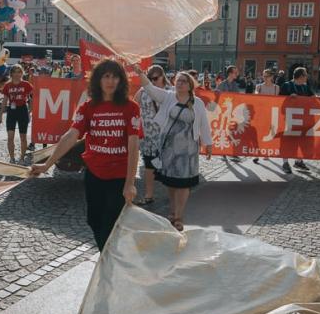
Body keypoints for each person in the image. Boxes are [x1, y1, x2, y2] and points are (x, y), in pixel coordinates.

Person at [30, 59, 142, 251]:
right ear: (98, 80)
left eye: (115, 76)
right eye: (106, 76)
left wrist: (130, 183)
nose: (111, 81)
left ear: (121, 81)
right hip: (94, 174)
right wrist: (47, 165)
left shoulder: (130, 108)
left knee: (111, 223)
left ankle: (108, 263)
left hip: (119, 176)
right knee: (94, 220)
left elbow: (134, 146)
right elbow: (71, 136)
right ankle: (108, 258)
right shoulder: (88, 107)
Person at [136, 68, 213, 231]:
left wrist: (208, 143)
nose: (179, 84)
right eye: (178, 81)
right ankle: (172, 210)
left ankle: (179, 217)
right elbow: (149, 88)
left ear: (190, 85)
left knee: (183, 184)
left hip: (188, 150)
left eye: (183, 81)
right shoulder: (168, 97)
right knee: (171, 183)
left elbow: (204, 124)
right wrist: (140, 73)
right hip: (169, 148)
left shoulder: (197, 102)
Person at [133, 64, 170, 206]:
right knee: (148, 165)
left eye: (155, 78)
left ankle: (171, 192)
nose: (152, 82)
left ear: (162, 77)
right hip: (148, 137)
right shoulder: (143, 91)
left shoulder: (169, 91)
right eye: (150, 78)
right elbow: (133, 104)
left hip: (165, 137)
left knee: (167, 166)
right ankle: (149, 195)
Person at [280, 67, 314, 173]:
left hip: (302, 119)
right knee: (287, 141)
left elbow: (313, 97)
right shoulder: (286, 85)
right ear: (300, 76)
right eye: (306, 75)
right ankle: (285, 163)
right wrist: (289, 97)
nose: (307, 77)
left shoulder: (305, 87)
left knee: (301, 141)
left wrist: (319, 98)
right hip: (289, 119)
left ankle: (298, 161)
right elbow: (279, 102)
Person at [0, 64, 33, 164]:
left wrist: (30, 110)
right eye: (15, 72)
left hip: (22, 110)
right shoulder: (7, 85)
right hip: (11, 111)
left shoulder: (26, 84)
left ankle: (22, 158)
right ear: (11, 73)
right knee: (10, 137)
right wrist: (0, 114)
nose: (17, 74)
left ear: (22, 73)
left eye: (19, 72)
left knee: (23, 136)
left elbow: (32, 98)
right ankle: (12, 158)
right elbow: (5, 100)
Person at [252, 69, 280, 164]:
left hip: (272, 114)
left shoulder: (276, 88)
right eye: (263, 76)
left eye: (267, 76)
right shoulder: (259, 87)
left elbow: (277, 101)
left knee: (269, 134)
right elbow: (255, 95)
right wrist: (257, 95)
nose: (265, 78)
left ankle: (266, 152)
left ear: (272, 77)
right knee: (259, 134)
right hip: (261, 114)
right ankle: (256, 154)